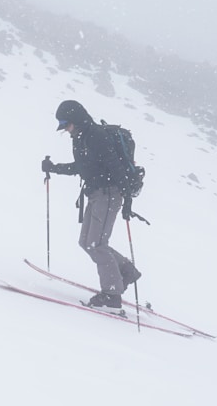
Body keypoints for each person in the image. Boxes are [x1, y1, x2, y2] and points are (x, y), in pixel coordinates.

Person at [41, 99, 142, 309]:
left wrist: (127, 201)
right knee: (86, 242)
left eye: (67, 125)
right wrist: (54, 168)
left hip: (109, 194)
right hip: (96, 194)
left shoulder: (97, 137)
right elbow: (82, 167)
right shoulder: (80, 138)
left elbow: (116, 169)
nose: (66, 130)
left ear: (76, 120)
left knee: (97, 244)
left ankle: (112, 295)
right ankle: (126, 271)